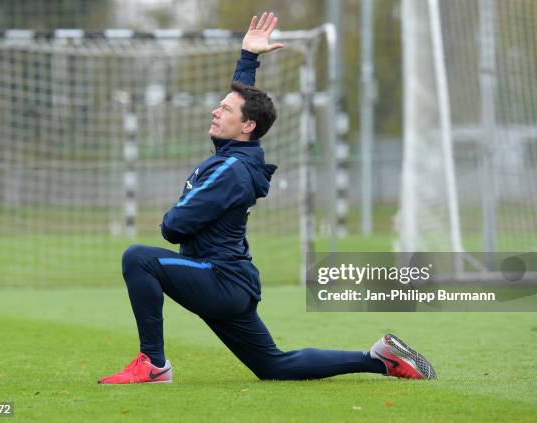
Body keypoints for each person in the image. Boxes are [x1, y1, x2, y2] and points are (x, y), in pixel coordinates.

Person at [98, 12, 436, 384]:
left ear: (246, 127)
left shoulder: (232, 171)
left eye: (224, 109)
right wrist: (248, 57)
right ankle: (379, 359)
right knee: (274, 366)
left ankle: (154, 364)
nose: (216, 109)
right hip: (228, 282)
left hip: (219, 279)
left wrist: (175, 213)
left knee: (139, 258)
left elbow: (173, 228)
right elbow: (244, 102)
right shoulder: (235, 156)